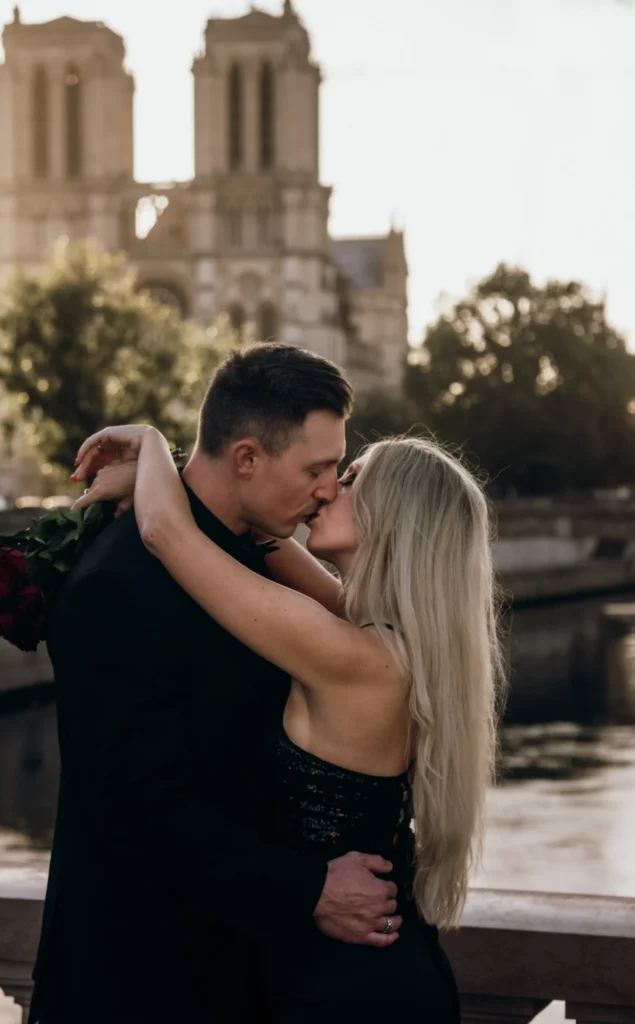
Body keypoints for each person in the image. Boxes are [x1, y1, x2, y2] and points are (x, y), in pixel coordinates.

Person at [72, 404, 504, 1020]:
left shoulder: (348, 654)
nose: (328, 489)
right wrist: (168, 470)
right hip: (378, 969)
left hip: (347, 987)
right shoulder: (386, 641)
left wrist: (150, 440)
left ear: (394, 519)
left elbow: (167, 536)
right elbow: (262, 532)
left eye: (351, 480)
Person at [28, 344, 403, 1024]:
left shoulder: (256, 555)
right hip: (140, 984)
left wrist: (154, 461)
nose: (328, 490)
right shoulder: (119, 582)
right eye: (316, 469)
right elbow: (134, 809)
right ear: (248, 458)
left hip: (238, 973)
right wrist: (307, 888)